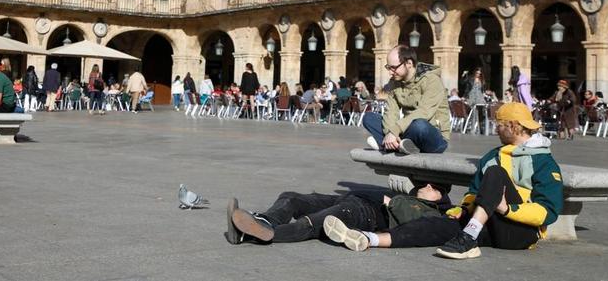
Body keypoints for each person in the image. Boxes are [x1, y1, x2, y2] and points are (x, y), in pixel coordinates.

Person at [435, 102, 563, 259]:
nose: (496, 130)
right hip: (491, 225)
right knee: (437, 227)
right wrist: (464, 208)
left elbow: (548, 211)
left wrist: (507, 209)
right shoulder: (491, 156)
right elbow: (474, 192)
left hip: (522, 233)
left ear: (513, 126)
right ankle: (395, 238)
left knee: (496, 172)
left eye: (499, 125)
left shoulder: (544, 162)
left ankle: (469, 235)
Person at [225, 181, 458, 250]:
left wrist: (391, 201)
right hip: (347, 201)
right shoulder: (412, 197)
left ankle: (252, 235)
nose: (427, 185)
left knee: (311, 224)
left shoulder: (428, 211)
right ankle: (265, 221)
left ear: (439, 200)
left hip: (362, 213)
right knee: (292, 197)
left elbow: (408, 221)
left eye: (434, 188)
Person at [363, 45, 450, 155]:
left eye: (393, 67)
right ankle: (399, 145)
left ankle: (387, 145)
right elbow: (390, 112)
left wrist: (395, 131)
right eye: (388, 67)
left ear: (409, 63)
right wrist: (390, 133)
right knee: (369, 118)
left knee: (419, 125)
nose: (390, 72)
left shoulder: (432, 80)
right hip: (407, 131)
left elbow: (424, 112)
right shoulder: (394, 82)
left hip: (434, 135)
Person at [462, 68, 486, 134]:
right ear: (475, 72)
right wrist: (464, 75)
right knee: (470, 112)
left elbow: (482, 90)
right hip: (472, 95)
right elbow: (463, 82)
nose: (478, 75)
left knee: (481, 111)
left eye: (479, 73)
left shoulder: (482, 80)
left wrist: (484, 94)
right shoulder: (470, 78)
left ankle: (481, 128)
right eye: (477, 73)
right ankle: (468, 127)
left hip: (480, 96)